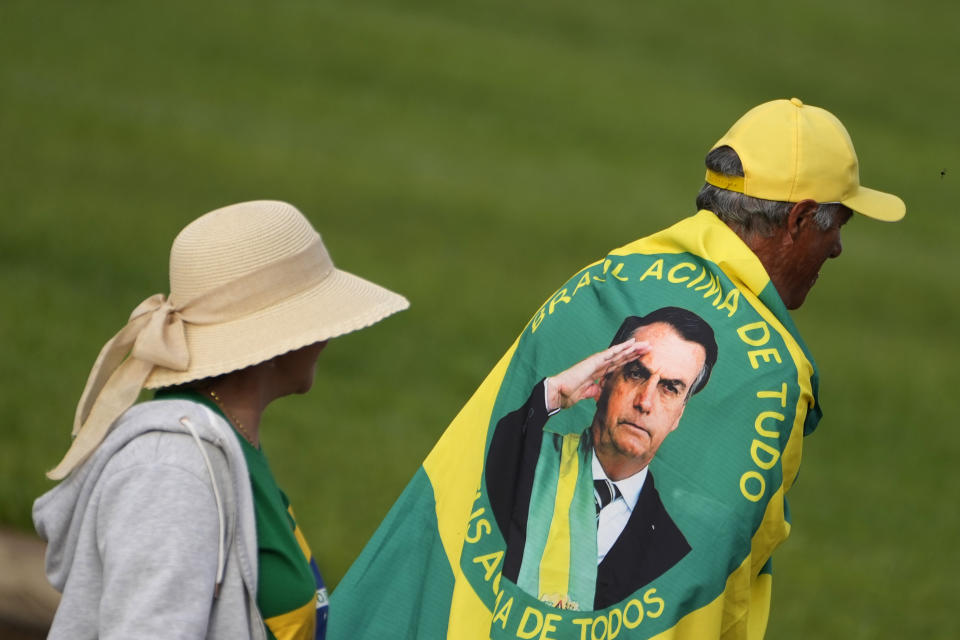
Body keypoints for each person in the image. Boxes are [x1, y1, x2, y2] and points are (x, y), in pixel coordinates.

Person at [328, 98, 905, 639]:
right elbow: (735, 573)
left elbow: (461, 479)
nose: (836, 250)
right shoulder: (778, 375)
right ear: (801, 219)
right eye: (838, 225)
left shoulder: (598, 280)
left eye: (672, 387)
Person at [33, 200, 409, 639]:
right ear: (277, 339)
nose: (329, 336)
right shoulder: (169, 471)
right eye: (317, 317)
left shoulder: (225, 442)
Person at [486, 308, 719, 610]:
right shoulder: (525, 459)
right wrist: (552, 395)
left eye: (670, 388)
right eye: (636, 373)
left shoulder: (673, 554)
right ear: (605, 377)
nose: (645, 402)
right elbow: (467, 458)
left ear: (679, 414)